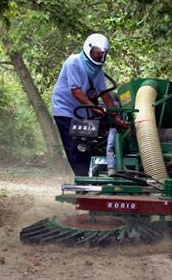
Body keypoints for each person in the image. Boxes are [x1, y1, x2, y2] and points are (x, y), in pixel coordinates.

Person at [51, 33, 123, 176]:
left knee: (91, 143)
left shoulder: (97, 70)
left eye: (101, 53)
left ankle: (92, 175)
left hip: (83, 110)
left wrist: (115, 116)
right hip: (64, 109)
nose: (98, 56)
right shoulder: (74, 62)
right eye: (96, 52)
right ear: (89, 49)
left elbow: (105, 94)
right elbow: (76, 91)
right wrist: (94, 107)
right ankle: (82, 180)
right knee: (75, 145)